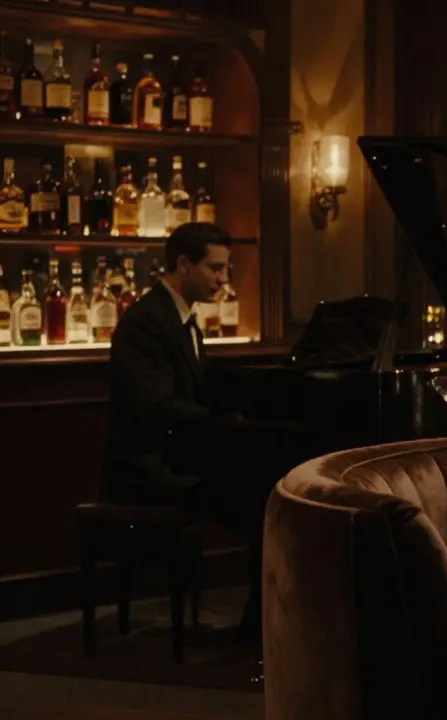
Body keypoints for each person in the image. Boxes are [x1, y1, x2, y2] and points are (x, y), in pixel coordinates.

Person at [100, 222, 296, 640]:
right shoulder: (145, 322)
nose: (224, 280)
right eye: (216, 269)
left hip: (175, 457)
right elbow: (154, 408)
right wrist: (225, 424)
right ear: (183, 264)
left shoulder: (181, 318)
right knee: (266, 508)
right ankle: (261, 628)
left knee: (267, 501)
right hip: (146, 468)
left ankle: (263, 622)